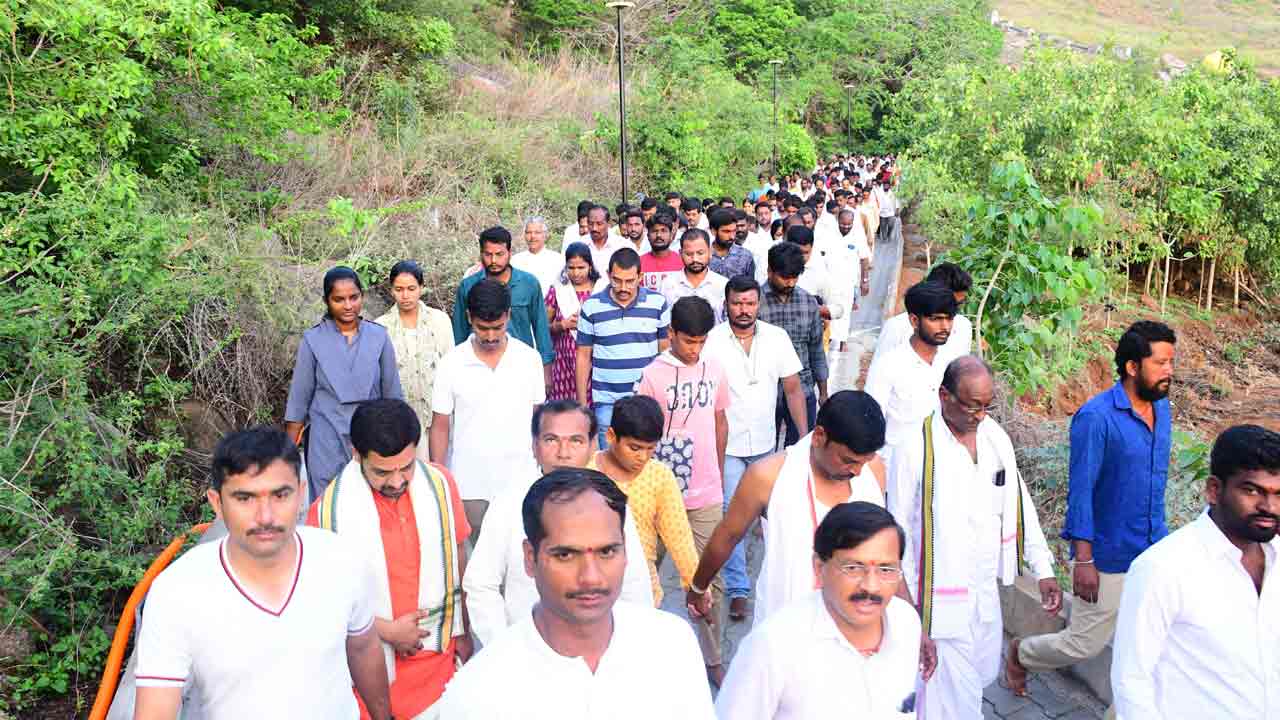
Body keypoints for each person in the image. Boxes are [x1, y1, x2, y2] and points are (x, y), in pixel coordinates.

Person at [133, 428, 392, 720]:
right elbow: (155, 708)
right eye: (245, 498)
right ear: (217, 504)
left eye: (280, 495)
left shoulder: (340, 560)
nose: (266, 516)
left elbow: (363, 648)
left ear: (301, 493)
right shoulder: (178, 591)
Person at [434, 469, 716, 719]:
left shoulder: (671, 646)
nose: (591, 577)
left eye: (607, 551)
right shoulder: (482, 689)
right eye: (566, 554)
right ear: (530, 558)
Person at [1005, 320, 1176, 705]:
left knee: (1146, 649)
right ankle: (1021, 652)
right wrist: (1085, 560)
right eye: (1161, 363)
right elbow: (1081, 491)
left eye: (1170, 362)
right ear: (1133, 367)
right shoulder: (1096, 418)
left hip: (1153, 550)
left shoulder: (1162, 409)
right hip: (1109, 554)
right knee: (1083, 643)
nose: (1169, 371)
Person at [885, 356, 1058, 720]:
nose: (980, 415)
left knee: (969, 686)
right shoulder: (915, 447)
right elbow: (895, 527)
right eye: (971, 406)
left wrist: (1042, 568)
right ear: (944, 395)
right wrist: (905, 605)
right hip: (937, 600)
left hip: (983, 595)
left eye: (986, 406)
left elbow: (1019, 503)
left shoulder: (996, 439)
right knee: (957, 700)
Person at [308, 400, 471, 719]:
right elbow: (324, 602)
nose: (397, 482)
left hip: (438, 663)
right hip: (370, 677)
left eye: (406, 467)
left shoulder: (440, 485)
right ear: (357, 454)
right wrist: (387, 631)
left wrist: (462, 628)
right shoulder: (327, 514)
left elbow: (458, 554)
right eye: (382, 472)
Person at [1111, 424, 1280, 718]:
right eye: (1252, 490)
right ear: (1214, 490)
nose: (1269, 506)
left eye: (1279, 494)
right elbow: (1132, 680)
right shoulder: (1163, 568)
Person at [688, 391, 888, 628]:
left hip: (858, 628)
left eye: (863, 462)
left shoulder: (872, 470)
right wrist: (698, 588)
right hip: (787, 630)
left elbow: (886, 550)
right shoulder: (767, 477)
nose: (857, 471)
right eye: (848, 461)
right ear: (819, 436)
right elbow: (728, 535)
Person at [464, 400, 653, 647]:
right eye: (551, 440)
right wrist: (504, 647)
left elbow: (634, 587)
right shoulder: (509, 503)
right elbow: (480, 584)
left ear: (592, 445)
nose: (563, 453)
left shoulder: (609, 502)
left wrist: (624, 650)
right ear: (534, 446)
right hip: (529, 655)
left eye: (576, 440)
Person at [714, 502, 926, 719]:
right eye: (853, 568)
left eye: (886, 569)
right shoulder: (773, 646)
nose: (870, 586)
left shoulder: (906, 623)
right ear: (819, 567)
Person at [704, 276, 809, 621]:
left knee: (778, 518)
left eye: (750, 303)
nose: (744, 310)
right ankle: (738, 589)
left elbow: (793, 389)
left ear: (758, 304)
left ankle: (781, 585)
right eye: (737, 303)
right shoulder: (712, 342)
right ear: (726, 304)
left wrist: (803, 440)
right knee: (732, 519)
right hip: (728, 446)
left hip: (767, 445)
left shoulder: (776, 339)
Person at [431, 279, 545, 538]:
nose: (491, 336)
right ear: (469, 317)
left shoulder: (529, 360)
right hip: (469, 484)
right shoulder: (451, 364)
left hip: (521, 481)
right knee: (474, 567)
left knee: (521, 564)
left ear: (508, 316)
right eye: (483, 328)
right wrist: (440, 483)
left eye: (498, 327)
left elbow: (539, 422)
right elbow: (440, 426)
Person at [286, 266, 403, 501]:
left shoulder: (378, 337)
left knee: (369, 505)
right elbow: (299, 401)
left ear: (362, 296)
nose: (348, 306)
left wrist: (397, 445)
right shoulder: (313, 340)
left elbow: (393, 397)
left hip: (370, 437)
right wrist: (285, 459)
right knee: (326, 504)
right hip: (325, 439)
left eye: (354, 297)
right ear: (327, 301)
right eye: (339, 299)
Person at [575, 248, 671, 449]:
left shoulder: (658, 304)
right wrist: (583, 405)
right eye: (617, 280)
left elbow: (665, 354)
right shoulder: (591, 307)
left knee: (645, 467)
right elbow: (583, 357)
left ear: (640, 277)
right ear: (609, 276)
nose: (623, 287)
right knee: (608, 468)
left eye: (630, 281)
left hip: (647, 401)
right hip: (607, 403)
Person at [863, 281, 962, 458]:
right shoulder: (889, 365)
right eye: (936, 319)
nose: (945, 327)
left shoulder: (951, 364)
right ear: (914, 321)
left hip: (938, 466)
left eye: (949, 318)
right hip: (893, 468)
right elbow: (870, 421)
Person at [376, 261, 455, 463]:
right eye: (399, 289)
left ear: (421, 288)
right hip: (400, 419)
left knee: (440, 475)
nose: (405, 295)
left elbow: (450, 367)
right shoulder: (380, 328)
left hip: (438, 415)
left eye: (411, 289)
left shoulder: (440, 321)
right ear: (391, 290)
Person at [452, 226, 555, 372]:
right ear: (481, 254)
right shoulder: (468, 286)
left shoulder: (529, 283)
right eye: (488, 254)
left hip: (520, 365)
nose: (494, 260)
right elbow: (459, 331)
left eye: (499, 254)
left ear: (509, 253)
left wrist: (546, 368)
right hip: (478, 366)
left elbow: (541, 328)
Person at [758, 242, 827, 448]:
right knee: (764, 453)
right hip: (765, 394)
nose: (790, 283)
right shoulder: (753, 303)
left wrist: (823, 393)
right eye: (784, 277)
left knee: (801, 450)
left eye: (794, 277)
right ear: (770, 271)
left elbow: (816, 349)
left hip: (803, 389)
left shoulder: (808, 302)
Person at [871, 262, 973, 367]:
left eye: (958, 305)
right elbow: (880, 369)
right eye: (949, 304)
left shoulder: (964, 327)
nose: (953, 310)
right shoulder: (897, 327)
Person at [545, 242, 607, 403]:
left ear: (590, 267)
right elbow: (543, 328)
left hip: (597, 361)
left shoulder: (602, 290)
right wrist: (561, 325)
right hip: (564, 363)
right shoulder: (558, 290)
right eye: (571, 268)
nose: (576, 273)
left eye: (581, 268)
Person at [787, 226, 849, 352]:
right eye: (798, 252)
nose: (802, 258)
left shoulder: (820, 273)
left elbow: (839, 308)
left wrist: (817, 310)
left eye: (806, 252)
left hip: (811, 343)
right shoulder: (773, 269)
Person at [659, 228, 728, 322]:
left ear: (710, 252)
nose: (695, 259)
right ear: (680, 254)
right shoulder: (668, 284)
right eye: (689, 254)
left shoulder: (723, 285)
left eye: (700, 253)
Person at [511, 217, 564, 296]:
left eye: (537, 232)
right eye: (528, 232)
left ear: (545, 235)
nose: (532, 236)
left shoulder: (558, 260)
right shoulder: (515, 261)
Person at [639, 211, 683, 293]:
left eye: (663, 231)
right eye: (654, 231)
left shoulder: (682, 262)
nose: (659, 235)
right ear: (648, 236)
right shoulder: (638, 263)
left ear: (671, 235)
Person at [707, 209, 755, 282]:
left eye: (734, 231)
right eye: (726, 232)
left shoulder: (745, 255)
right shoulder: (704, 256)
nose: (732, 236)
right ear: (713, 231)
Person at [584, 204, 628, 277]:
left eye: (599, 224)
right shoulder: (579, 245)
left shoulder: (622, 246)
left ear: (608, 223)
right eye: (591, 224)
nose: (594, 228)